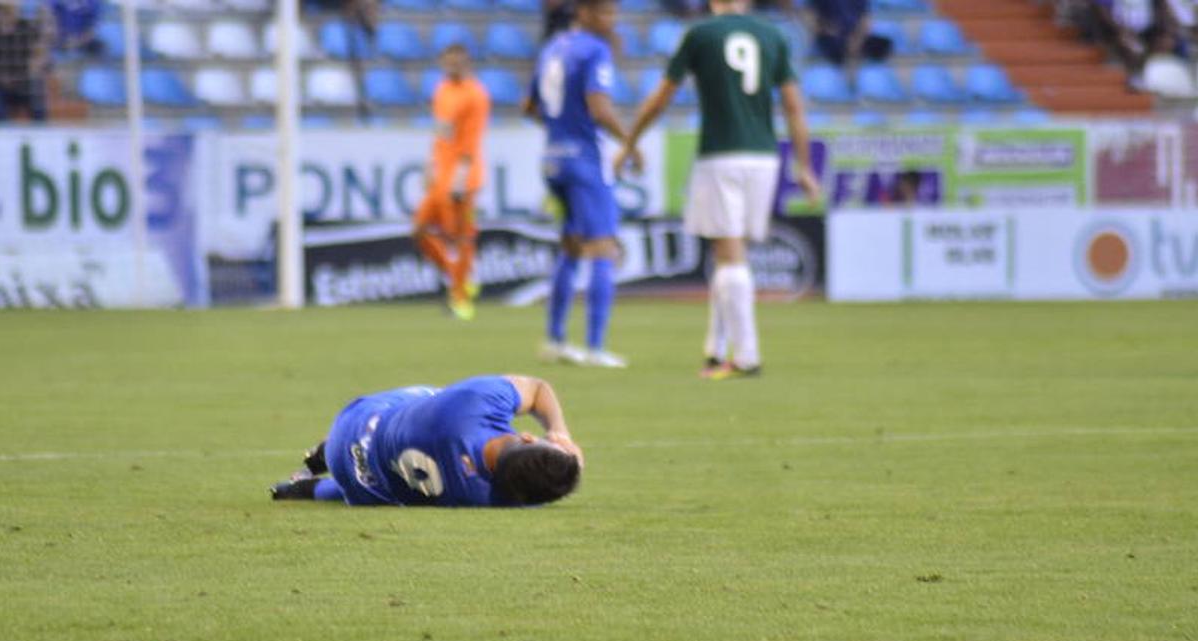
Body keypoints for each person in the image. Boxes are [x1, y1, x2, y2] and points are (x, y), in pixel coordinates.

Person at [615, 0, 821, 379]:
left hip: (721, 154)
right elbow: (793, 107)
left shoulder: (700, 34)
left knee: (729, 255)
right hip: (764, 156)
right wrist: (804, 167)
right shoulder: (773, 34)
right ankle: (715, 349)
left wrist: (630, 141)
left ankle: (746, 356)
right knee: (728, 251)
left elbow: (662, 97)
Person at [269, 375, 584, 508]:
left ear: (528, 437)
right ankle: (304, 489)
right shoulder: (485, 497)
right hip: (363, 485)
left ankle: (322, 453)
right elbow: (537, 491)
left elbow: (539, 388)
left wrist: (560, 431)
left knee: (431, 396)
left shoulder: (472, 404)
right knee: (390, 485)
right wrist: (563, 469)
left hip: (352, 427)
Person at [526, 0, 639, 368]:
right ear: (585, 13)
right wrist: (630, 142)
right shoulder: (595, 49)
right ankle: (595, 347)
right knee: (603, 247)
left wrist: (561, 131)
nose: (612, 20)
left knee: (571, 246)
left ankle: (556, 340)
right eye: (606, 13)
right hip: (586, 161)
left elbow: (530, 106)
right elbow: (600, 108)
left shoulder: (552, 47)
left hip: (553, 158)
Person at [412, 43, 490, 321]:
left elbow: (471, 140)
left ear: (467, 62)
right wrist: (429, 166)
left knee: (461, 238)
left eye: (458, 61)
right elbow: (440, 134)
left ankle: (461, 302)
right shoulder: (442, 90)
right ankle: (460, 276)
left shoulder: (476, 95)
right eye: (449, 61)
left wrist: (460, 180)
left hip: (462, 177)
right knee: (419, 228)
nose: (453, 65)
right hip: (440, 175)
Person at [0, 3, 48, 122]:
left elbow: (39, 55)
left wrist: (25, 76)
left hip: (23, 79)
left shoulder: (26, 26)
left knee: (36, 84)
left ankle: (40, 129)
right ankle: (3, 126)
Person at [808, 0, 892, 68]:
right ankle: (846, 59)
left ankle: (852, 55)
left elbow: (865, 18)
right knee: (832, 46)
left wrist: (857, 40)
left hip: (856, 35)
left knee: (884, 44)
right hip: (834, 36)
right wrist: (830, 30)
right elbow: (814, 17)